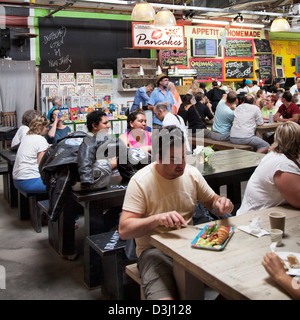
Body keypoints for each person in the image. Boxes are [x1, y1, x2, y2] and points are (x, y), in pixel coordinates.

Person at [118, 126, 234, 300]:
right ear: (158, 157)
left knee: (238, 282)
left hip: (191, 246)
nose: (181, 164)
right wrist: (157, 219)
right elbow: (125, 230)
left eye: (183, 157)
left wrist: (223, 204)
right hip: (154, 252)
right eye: (173, 159)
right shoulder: (141, 181)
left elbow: (214, 204)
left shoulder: (191, 174)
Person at [237, 121, 300, 215]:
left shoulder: (275, 155)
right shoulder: (283, 165)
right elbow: (298, 200)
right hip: (254, 221)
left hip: (260, 215)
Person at [13, 115, 49, 194]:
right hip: (30, 181)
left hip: (17, 180)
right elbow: (42, 165)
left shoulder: (26, 137)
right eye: (46, 127)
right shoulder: (41, 140)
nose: (48, 129)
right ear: (40, 127)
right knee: (61, 185)